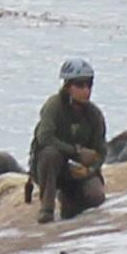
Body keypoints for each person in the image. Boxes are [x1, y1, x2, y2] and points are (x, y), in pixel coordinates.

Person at [29, 58, 107, 224]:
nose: (86, 90)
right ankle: (47, 208)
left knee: (96, 196)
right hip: (51, 166)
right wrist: (75, 152)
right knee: (50, 154)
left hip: (78, 170)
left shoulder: (94, 115)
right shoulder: (53, 106)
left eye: (89, 85)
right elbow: (44, 138)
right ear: (68, 86)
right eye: (80, 85)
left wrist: (90, 169)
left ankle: (71, 200)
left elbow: (101, 151)